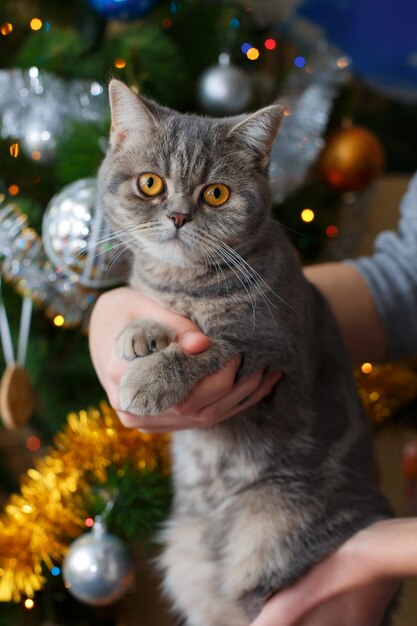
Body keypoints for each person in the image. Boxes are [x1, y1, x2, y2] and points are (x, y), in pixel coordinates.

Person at [89, 173, 417, 625]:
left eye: (216, 195)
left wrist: (379, 554)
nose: (178, 212)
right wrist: (117, 311)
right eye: (151, 185)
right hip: (210, 531)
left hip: (309, 530)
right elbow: (407, 281)